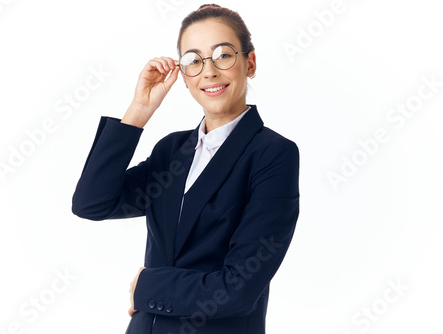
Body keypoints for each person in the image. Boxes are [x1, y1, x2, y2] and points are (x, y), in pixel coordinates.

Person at [71, 4, 300, 333]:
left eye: (223, 55)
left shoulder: (272, 155)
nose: (209, 71)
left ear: (249, 63)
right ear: (184, 75)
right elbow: (91, 203)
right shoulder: (172, 150)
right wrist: (138, 110)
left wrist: (147, 286)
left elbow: (238, 290)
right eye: (194, 60)